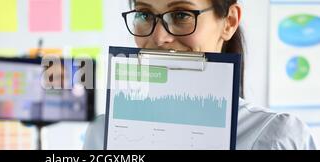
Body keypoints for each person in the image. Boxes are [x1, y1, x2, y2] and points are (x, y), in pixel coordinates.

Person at [83, 0, 317, 150]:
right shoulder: (102, 134)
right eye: (145, 14)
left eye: (181, 14)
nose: (160, 37)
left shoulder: (275, 137)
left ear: (229, 22)